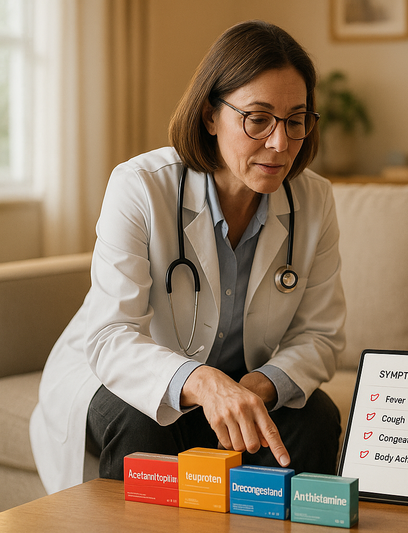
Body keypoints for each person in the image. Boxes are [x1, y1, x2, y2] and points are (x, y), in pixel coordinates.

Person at [29, 20, 346, 494]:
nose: (280, 143)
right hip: (122, 377)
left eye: (295, 120)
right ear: (210, 115)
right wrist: (204, 383)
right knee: (143, 424)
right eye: (258, 118)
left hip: (241, 382)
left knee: (316, 416)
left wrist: (257, 387)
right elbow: (112, 335)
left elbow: (320, 335)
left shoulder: (313, 200)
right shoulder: (141, 187)